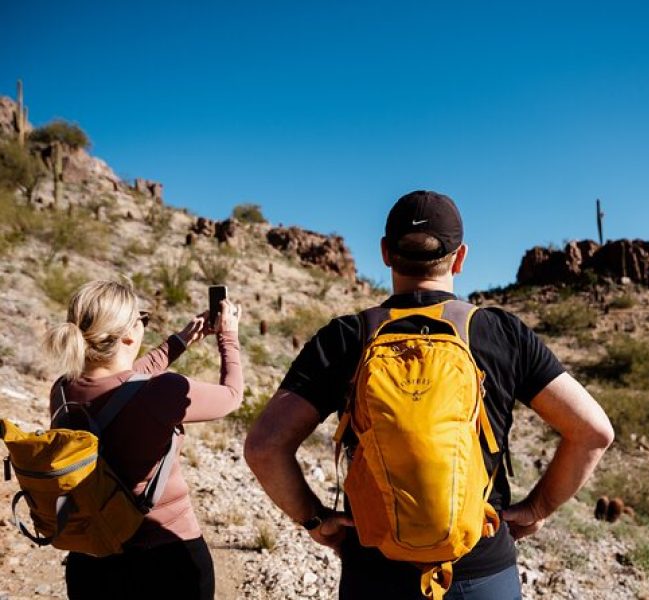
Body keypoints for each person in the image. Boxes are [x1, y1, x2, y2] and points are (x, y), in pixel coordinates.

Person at [244, 190, 614, 599]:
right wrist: (538, 507)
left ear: (386, 253)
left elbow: (264, 447)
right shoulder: (502, 333)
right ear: (460, 258)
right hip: (481, 569)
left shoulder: (345, 338)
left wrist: (315, 520)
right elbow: (593, 432)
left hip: (374, 569)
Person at [41, 279, 243, 600]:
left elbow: (122, 383)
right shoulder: (161, 391)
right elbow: (232, 396)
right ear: (128, 334)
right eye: (142, 319)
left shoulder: (63, 390)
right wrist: (229, 337)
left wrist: (179, 341)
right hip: (167, 559)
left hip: (93, 557)